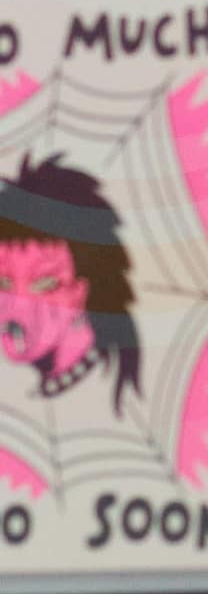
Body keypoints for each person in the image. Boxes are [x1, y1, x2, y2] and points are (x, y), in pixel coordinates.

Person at [0, 152, 143, 413]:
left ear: (86, 289)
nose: (15, 308)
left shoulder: (110, 395)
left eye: (44, 284)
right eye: (4, 283)